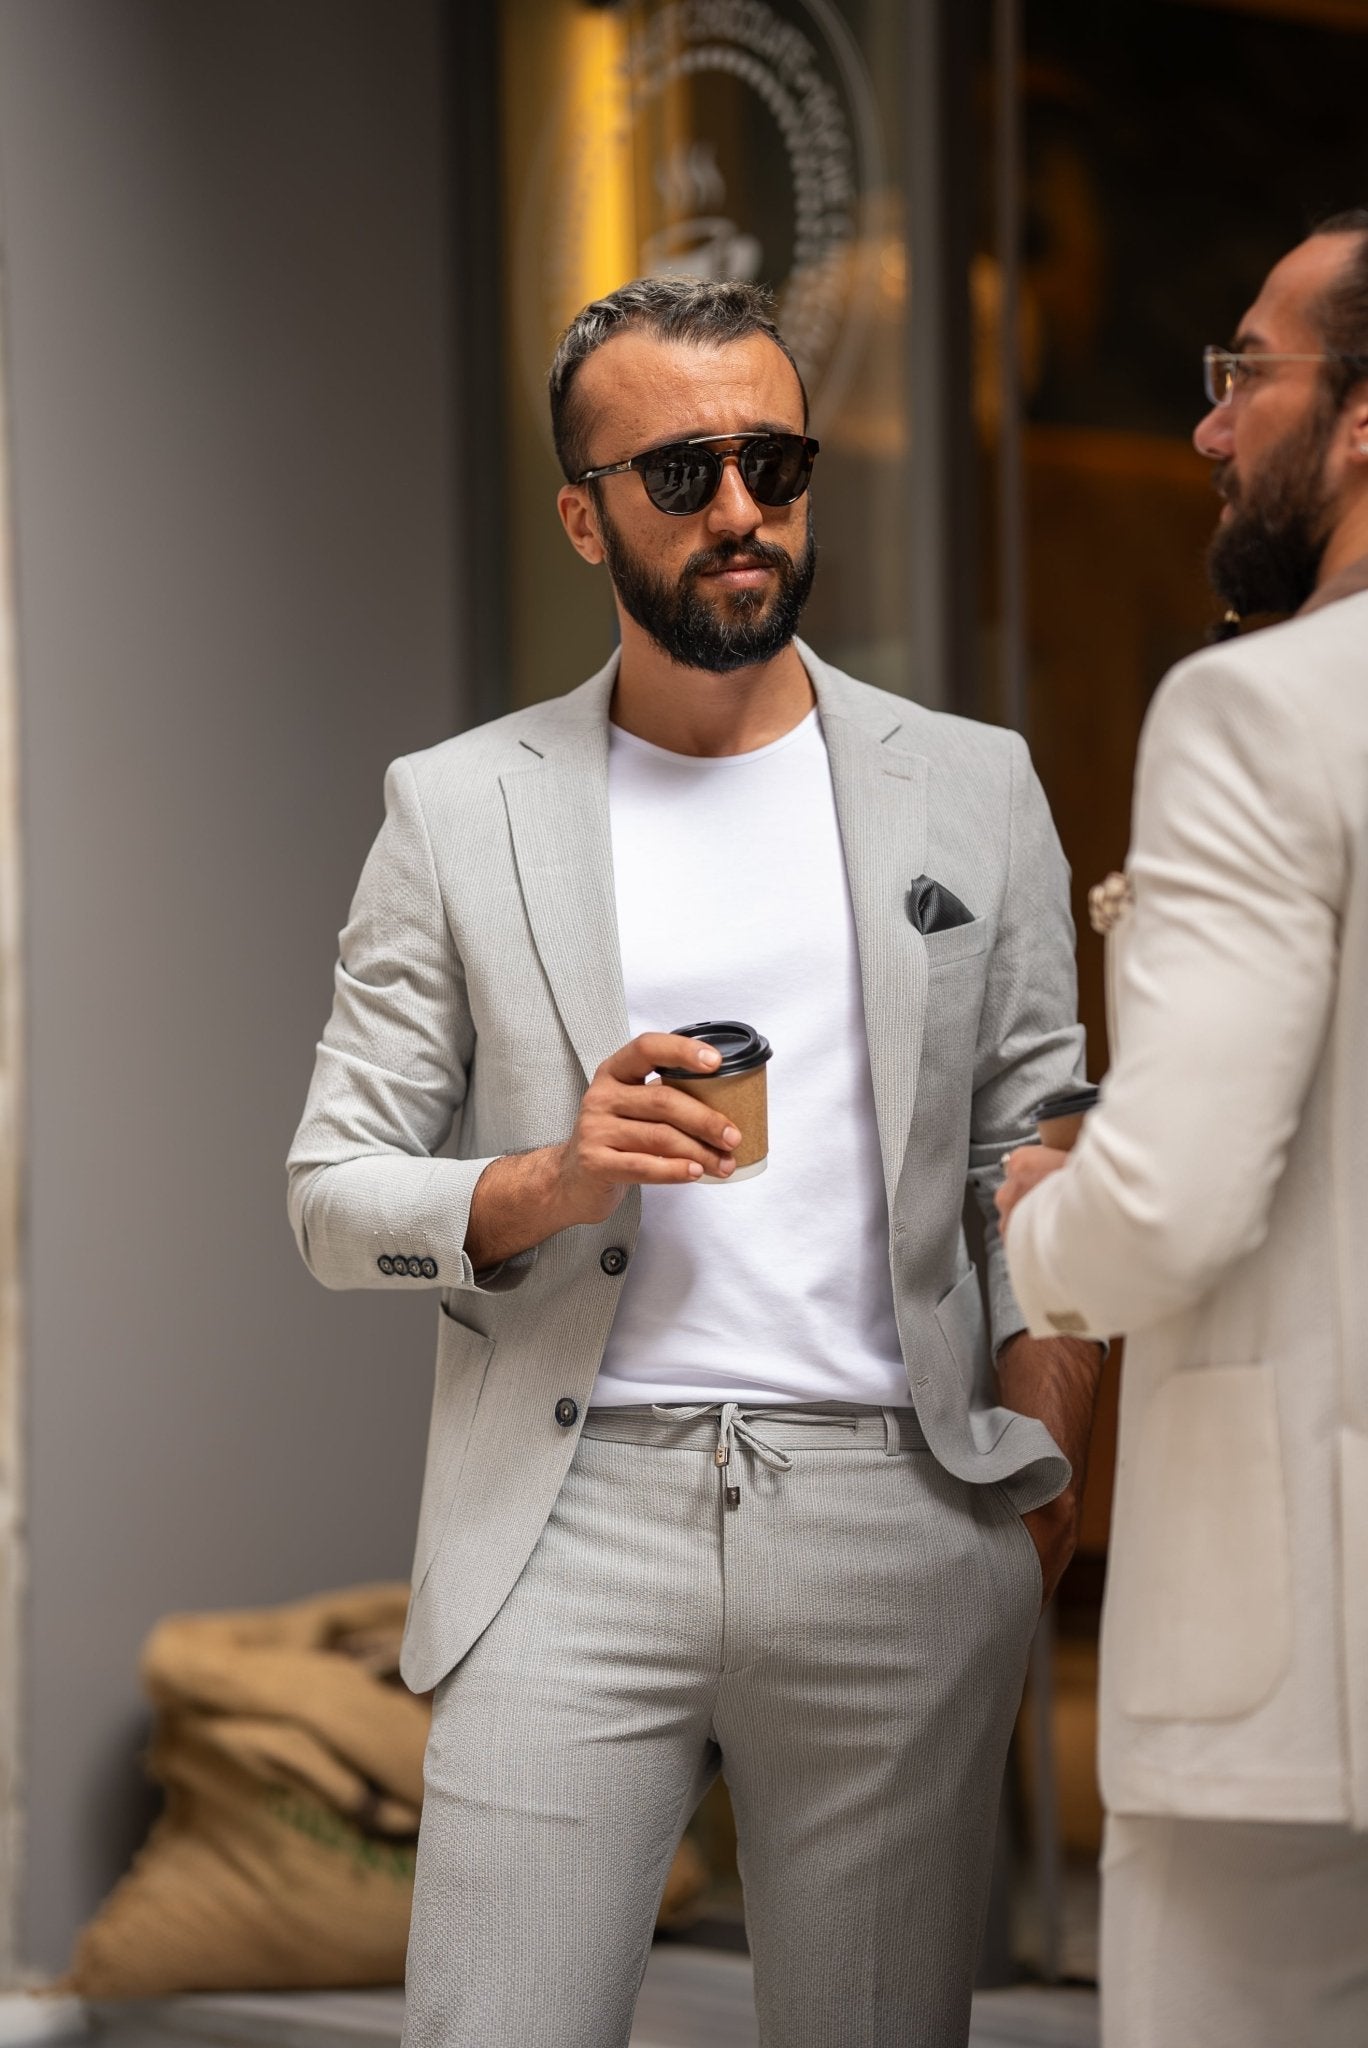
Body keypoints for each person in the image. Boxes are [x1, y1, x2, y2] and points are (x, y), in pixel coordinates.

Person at [289, 276, 1099, 2048]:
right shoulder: (460, 805)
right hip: (571, 1526)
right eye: (680, 473)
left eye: (773, 461)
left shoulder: (975, 787)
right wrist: (549, 1181)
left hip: (902, 1510)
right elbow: (334, 1195)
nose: (741, 509)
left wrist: (1044, 1460)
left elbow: (1034, 1137)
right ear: (585, 515)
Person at [997, 212, 1368, 2048]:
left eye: (1248, 373)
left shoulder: (1257, 710)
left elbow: (1176, 1193)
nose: (1212, 427)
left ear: (1363, 417)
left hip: (1299, 1674)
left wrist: (1034, 1216)